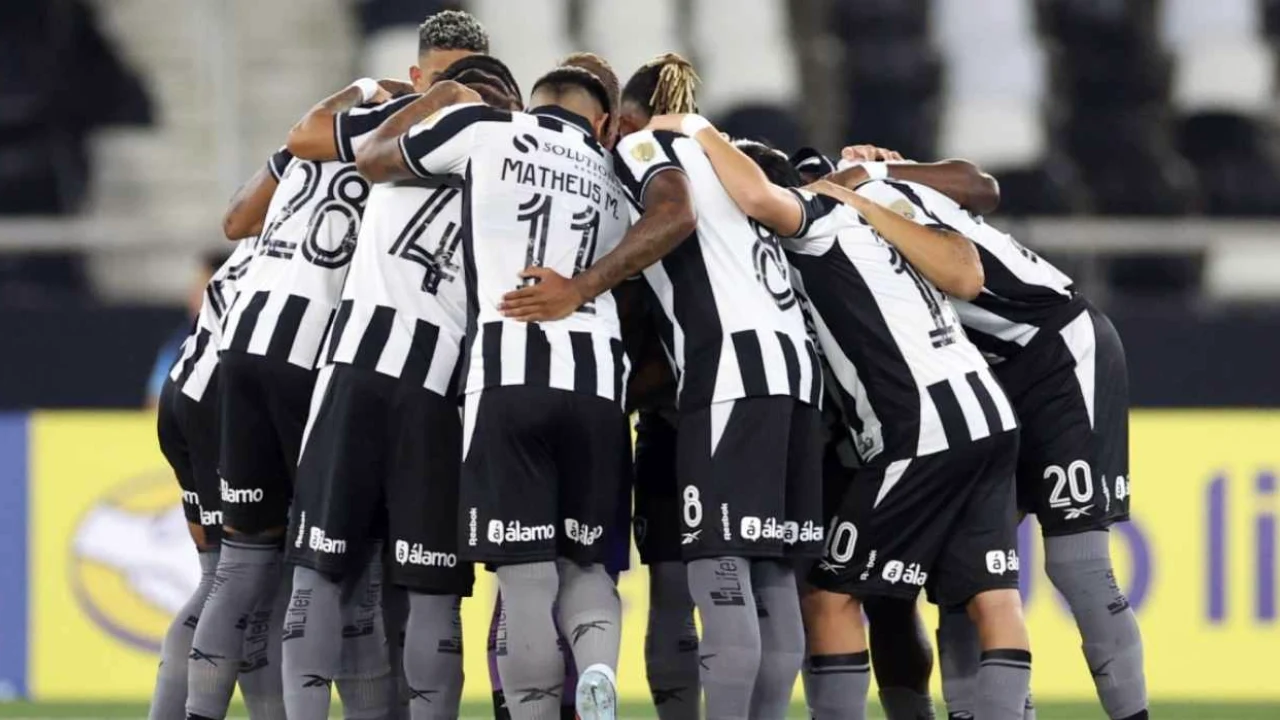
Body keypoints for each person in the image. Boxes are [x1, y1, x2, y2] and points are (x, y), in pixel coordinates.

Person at [498, 54, 825, 720]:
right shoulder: (740, 157)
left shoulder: (647, 147)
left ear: (621, 119)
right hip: (797, 378)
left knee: (718, 577)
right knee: (774, 581)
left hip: (729, 376)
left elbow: (673, 213)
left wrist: (580, 288)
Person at [814, 148, 1148, 720]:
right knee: (965, 573)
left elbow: (978, 199)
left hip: (1057, 348)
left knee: (1078, 564)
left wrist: (875, 176)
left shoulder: (868, 201)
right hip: (983, 380)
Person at [359, 65, 630, 720]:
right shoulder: (618, 175)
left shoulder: (488, 128)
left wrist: (437, 99)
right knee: (587, 567)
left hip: (508, 377)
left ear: (536, 104)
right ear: (601, 122)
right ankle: (596, 671)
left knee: (527, 580)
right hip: (598, 383)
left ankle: (534, 709)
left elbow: (374, 161)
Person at [281, 53, 522, 720]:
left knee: (319, 571)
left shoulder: (403, 143)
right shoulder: (513, 178)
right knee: (431, 588)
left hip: (354, 371)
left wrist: (424, 96)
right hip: (440, 391)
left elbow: (314, 138)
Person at [185, 73, 422, 720]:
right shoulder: (402, 166)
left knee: (240, 564)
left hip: (237, 350)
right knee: (347, 567)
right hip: (309, 358)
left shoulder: (302, 153)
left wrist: (353, 92)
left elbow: (235, 221)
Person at [149, 149, 290, 720]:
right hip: (231, 402)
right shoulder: (329, 235)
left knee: (221, 580)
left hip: (188, 389)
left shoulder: (259, 240)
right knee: (253, 578)